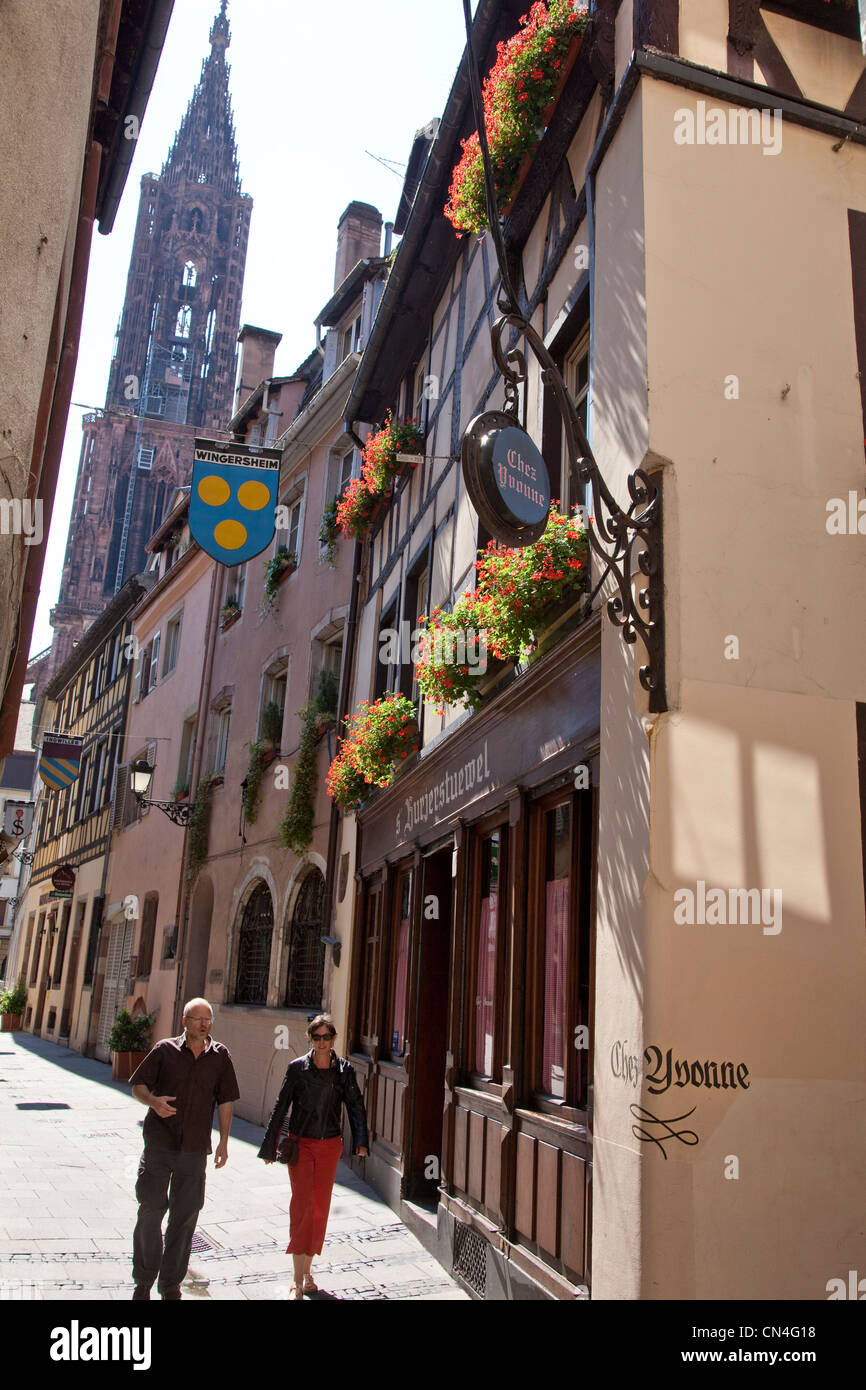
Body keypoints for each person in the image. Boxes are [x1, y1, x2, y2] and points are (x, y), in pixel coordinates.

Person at [129, 996, 239, 1300]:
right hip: (159, 1144)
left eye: (208, 1020)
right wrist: (153, 1101)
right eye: (197, 1019)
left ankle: (171, 1285)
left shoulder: (220, 1056)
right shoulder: (164, 1050)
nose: (204, 1025)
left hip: (194, 1148)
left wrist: (224, 1143)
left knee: (185, 1216)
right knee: (151, 1210)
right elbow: (138, 1085)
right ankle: (143, 1281)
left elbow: (226, 1100)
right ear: (185, 1022)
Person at [258, 1014, 369, 1298]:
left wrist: (361, 1141)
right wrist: (269, 1145)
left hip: (330, 1145)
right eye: (316, 1037)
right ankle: (297, 1278)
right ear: (310, 1038)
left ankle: (308, 1272)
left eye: (326, 1037)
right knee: (303, 1206)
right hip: (302, 1145)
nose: (321, 1042)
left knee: (319, 1209)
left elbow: (355, 1106)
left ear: (333, 1039)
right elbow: (280, 1107)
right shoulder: (298, 1069)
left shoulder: (344, 1071)